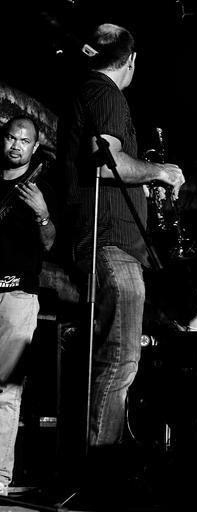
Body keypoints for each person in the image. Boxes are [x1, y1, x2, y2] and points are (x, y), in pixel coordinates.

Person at [57, 23, 185, 449]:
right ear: (131, 60)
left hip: (106, 239)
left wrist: (141, 184)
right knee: (121, 359)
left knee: (114, 357)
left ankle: (92, 460)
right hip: (111, 243)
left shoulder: (89, 91)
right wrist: (160, 171)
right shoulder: (106, 92)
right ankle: (98, 467)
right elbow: (105, 160)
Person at [0, 115, 56, 496]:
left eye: (24, 141)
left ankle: (0, 477)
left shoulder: (41, 186)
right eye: (11, 138)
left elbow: (50, 242)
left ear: (34, 147)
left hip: (18, 297)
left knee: (5, 391)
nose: (16, 145)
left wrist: (42, 213)